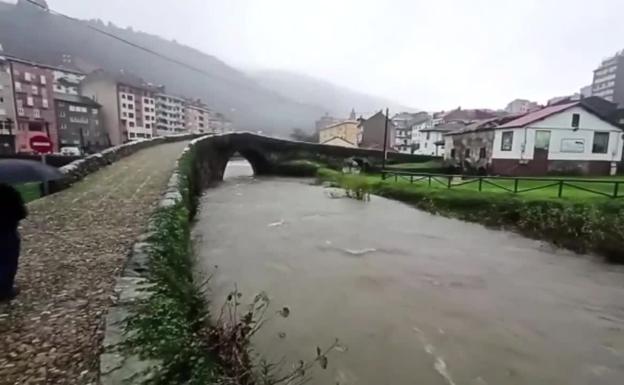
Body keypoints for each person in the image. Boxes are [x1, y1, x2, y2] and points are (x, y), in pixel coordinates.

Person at [0, 183, 27, 301]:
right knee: (7, 262)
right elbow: (21, 212)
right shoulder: (8, 190)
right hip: (7, 231)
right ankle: (4, 290)